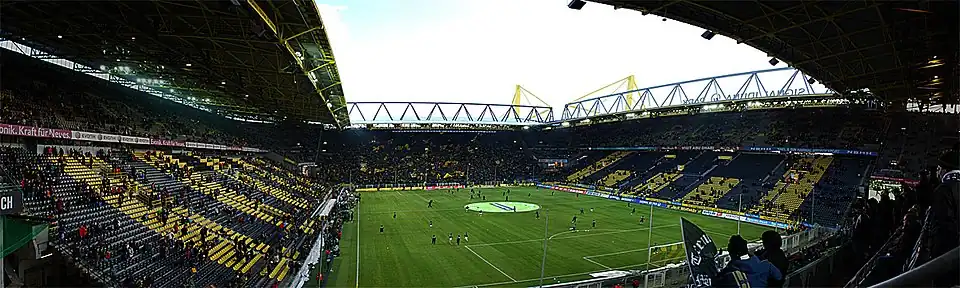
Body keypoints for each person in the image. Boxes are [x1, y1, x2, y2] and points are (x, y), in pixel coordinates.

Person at [715, 235, 781, 288]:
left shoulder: (730, 272)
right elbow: (779, 277)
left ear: (734, 254)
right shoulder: (766, 264)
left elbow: (716, 283)